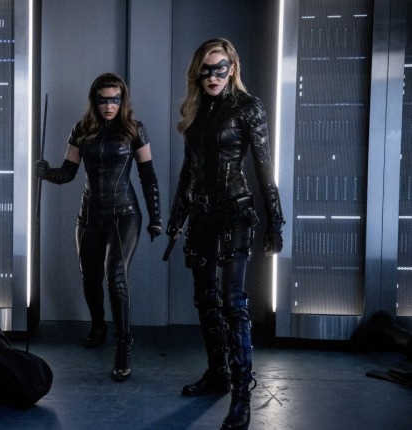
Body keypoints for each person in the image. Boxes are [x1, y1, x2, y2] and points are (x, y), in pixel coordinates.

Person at [166, 38, 284, 430]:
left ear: (232, 69)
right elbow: (189, 170)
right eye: (206, 70)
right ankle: (218, 373)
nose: (213, 76)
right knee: (205, 299)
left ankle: (241, 397)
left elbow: (265, 167)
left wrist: (275, 221)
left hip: (235, 213)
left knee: (233, 303)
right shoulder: (196, 110)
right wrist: (177, 216)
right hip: (201, 214)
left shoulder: (248, 107)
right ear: (197, 73)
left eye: (220, 69)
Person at [36, 72, 161, 382]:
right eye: (103, 100)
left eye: (115, 99)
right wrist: (47, 172)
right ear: (95, 100)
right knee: (90, 278)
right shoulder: (81, 130)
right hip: (90, 215)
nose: (109, 105)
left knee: (116, 277)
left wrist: (156, 217)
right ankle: (98, 326)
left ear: (122, 100)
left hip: (124, 214)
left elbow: (148, 176)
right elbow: (68, 173)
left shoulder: (134, 130)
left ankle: (123, 347)